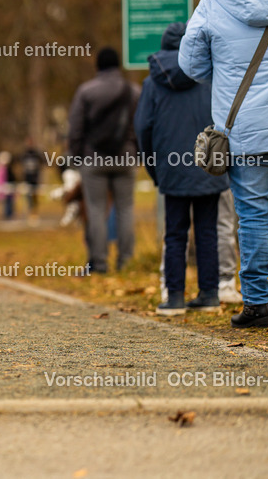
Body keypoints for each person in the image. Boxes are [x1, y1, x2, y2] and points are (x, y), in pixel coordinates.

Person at [179, 0, 268, 329]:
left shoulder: (212, 5)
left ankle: (257, 305)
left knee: (253, 217)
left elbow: (191, 66)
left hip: (245, 133)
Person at [135, 22, 228, 315]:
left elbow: (143, 128)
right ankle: (210, 294)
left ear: (163, 46)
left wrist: (154, 170)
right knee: (207, 231)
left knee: (175, 232)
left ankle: (174, 297)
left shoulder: (152, 83)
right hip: (208, 165)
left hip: (171, 167)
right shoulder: (211, 76)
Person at [67, 47, 140, 274]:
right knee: (125, 209)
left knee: (96, 210)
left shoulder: (86, 92)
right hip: (126, 158)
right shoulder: (134, 91)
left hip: (94, 159)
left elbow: (75, 128)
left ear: (98, 65)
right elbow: (142, 125)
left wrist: (75, 157)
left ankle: (99, 263)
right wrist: (138, 152)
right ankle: (125, 262)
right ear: (118, 65)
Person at [19, 138, 44, 223]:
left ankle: (35, 213)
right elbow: (21, 166)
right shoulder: (24, 154)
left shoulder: (36, 154)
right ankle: (30, 213)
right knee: (28, 197)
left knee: (35, 197)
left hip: (35, 179)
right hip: (27, 179)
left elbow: (42, 163)